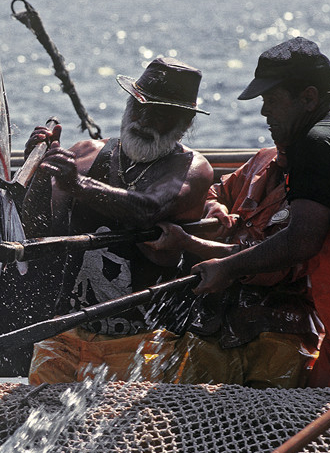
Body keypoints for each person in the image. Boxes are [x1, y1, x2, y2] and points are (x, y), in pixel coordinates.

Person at [193, 37, 330, 392]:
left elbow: (302, 240)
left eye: (271, 100)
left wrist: (227, 268)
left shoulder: (315, 143)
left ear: (309, 97)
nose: (264, 112)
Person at [23, 56, 214, 385]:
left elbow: (149, 209)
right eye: (138, 106)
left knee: (127, 435)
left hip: (145, 342)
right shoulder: (85, 153)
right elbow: (37, 232)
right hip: (66, 334)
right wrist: (41, 175)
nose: (143, 119)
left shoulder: (192, 169)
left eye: (159, 112)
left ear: (184, 123)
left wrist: (79, 185)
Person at [145, 145, 322, 388]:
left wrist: (188, 242)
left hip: (282, 326)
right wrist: (215, 208)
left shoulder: (319, 184)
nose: (269, 118)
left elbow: (279, 261)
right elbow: (214, 193)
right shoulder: (265, 159)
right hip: (213, 317)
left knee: (272, 410)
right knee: (183, 394)